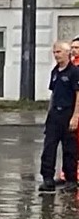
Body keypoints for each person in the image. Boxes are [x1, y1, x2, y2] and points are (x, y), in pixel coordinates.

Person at [39, 41, 79, 192]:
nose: (56, 55)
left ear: (67, 53)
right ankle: (47, 178)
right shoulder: (55, 71)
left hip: (68, 112)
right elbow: (53, 94)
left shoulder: (74, 72)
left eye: (59, 52)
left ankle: (71, 179)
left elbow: (78, 95)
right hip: (55, 113)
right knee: (49, 146)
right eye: (55, 52)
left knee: (69, 148)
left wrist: (75, 116)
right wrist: (49, 113)